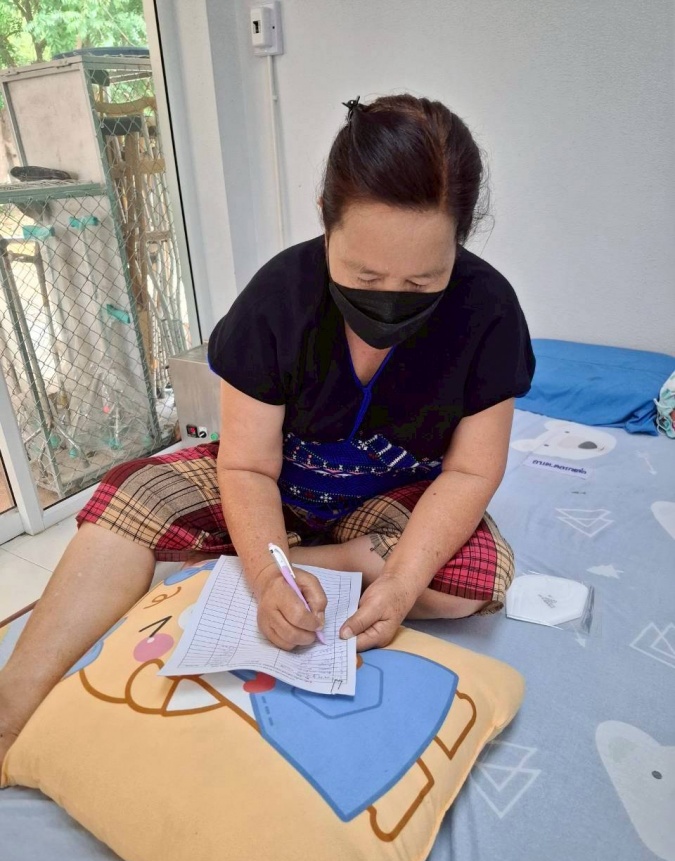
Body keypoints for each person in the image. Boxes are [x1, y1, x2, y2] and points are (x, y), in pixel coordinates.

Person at [0, 93, 535, 766]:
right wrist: (266, 569)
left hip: (387, 497)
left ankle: (229, 567)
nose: (389, 300)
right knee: (129, 497)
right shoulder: (278, 298)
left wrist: (400, 582)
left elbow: (470, 471)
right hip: (274, 484)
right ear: (325, 218)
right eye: (365, 274)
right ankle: (9, 712)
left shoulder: (487, 310)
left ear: (459, 241)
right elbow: (248, 466)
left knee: (476, 578)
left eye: (423, 280)